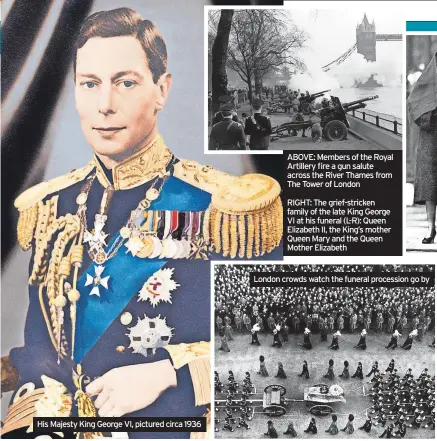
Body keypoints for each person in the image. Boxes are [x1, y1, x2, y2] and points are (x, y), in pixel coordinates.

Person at [1, 8, 284, 439]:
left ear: (162, 90)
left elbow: (282, 345)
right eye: (89, 84)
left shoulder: (224, 209)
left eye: (125, 83)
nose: (105, 104)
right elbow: (43, 350)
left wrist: (173, 374)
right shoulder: (51, 207)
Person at [407, 52, 437, 244]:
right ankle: (430, 229)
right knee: (429, 186)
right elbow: (414, 102)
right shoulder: (427, 81)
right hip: (431, 139)